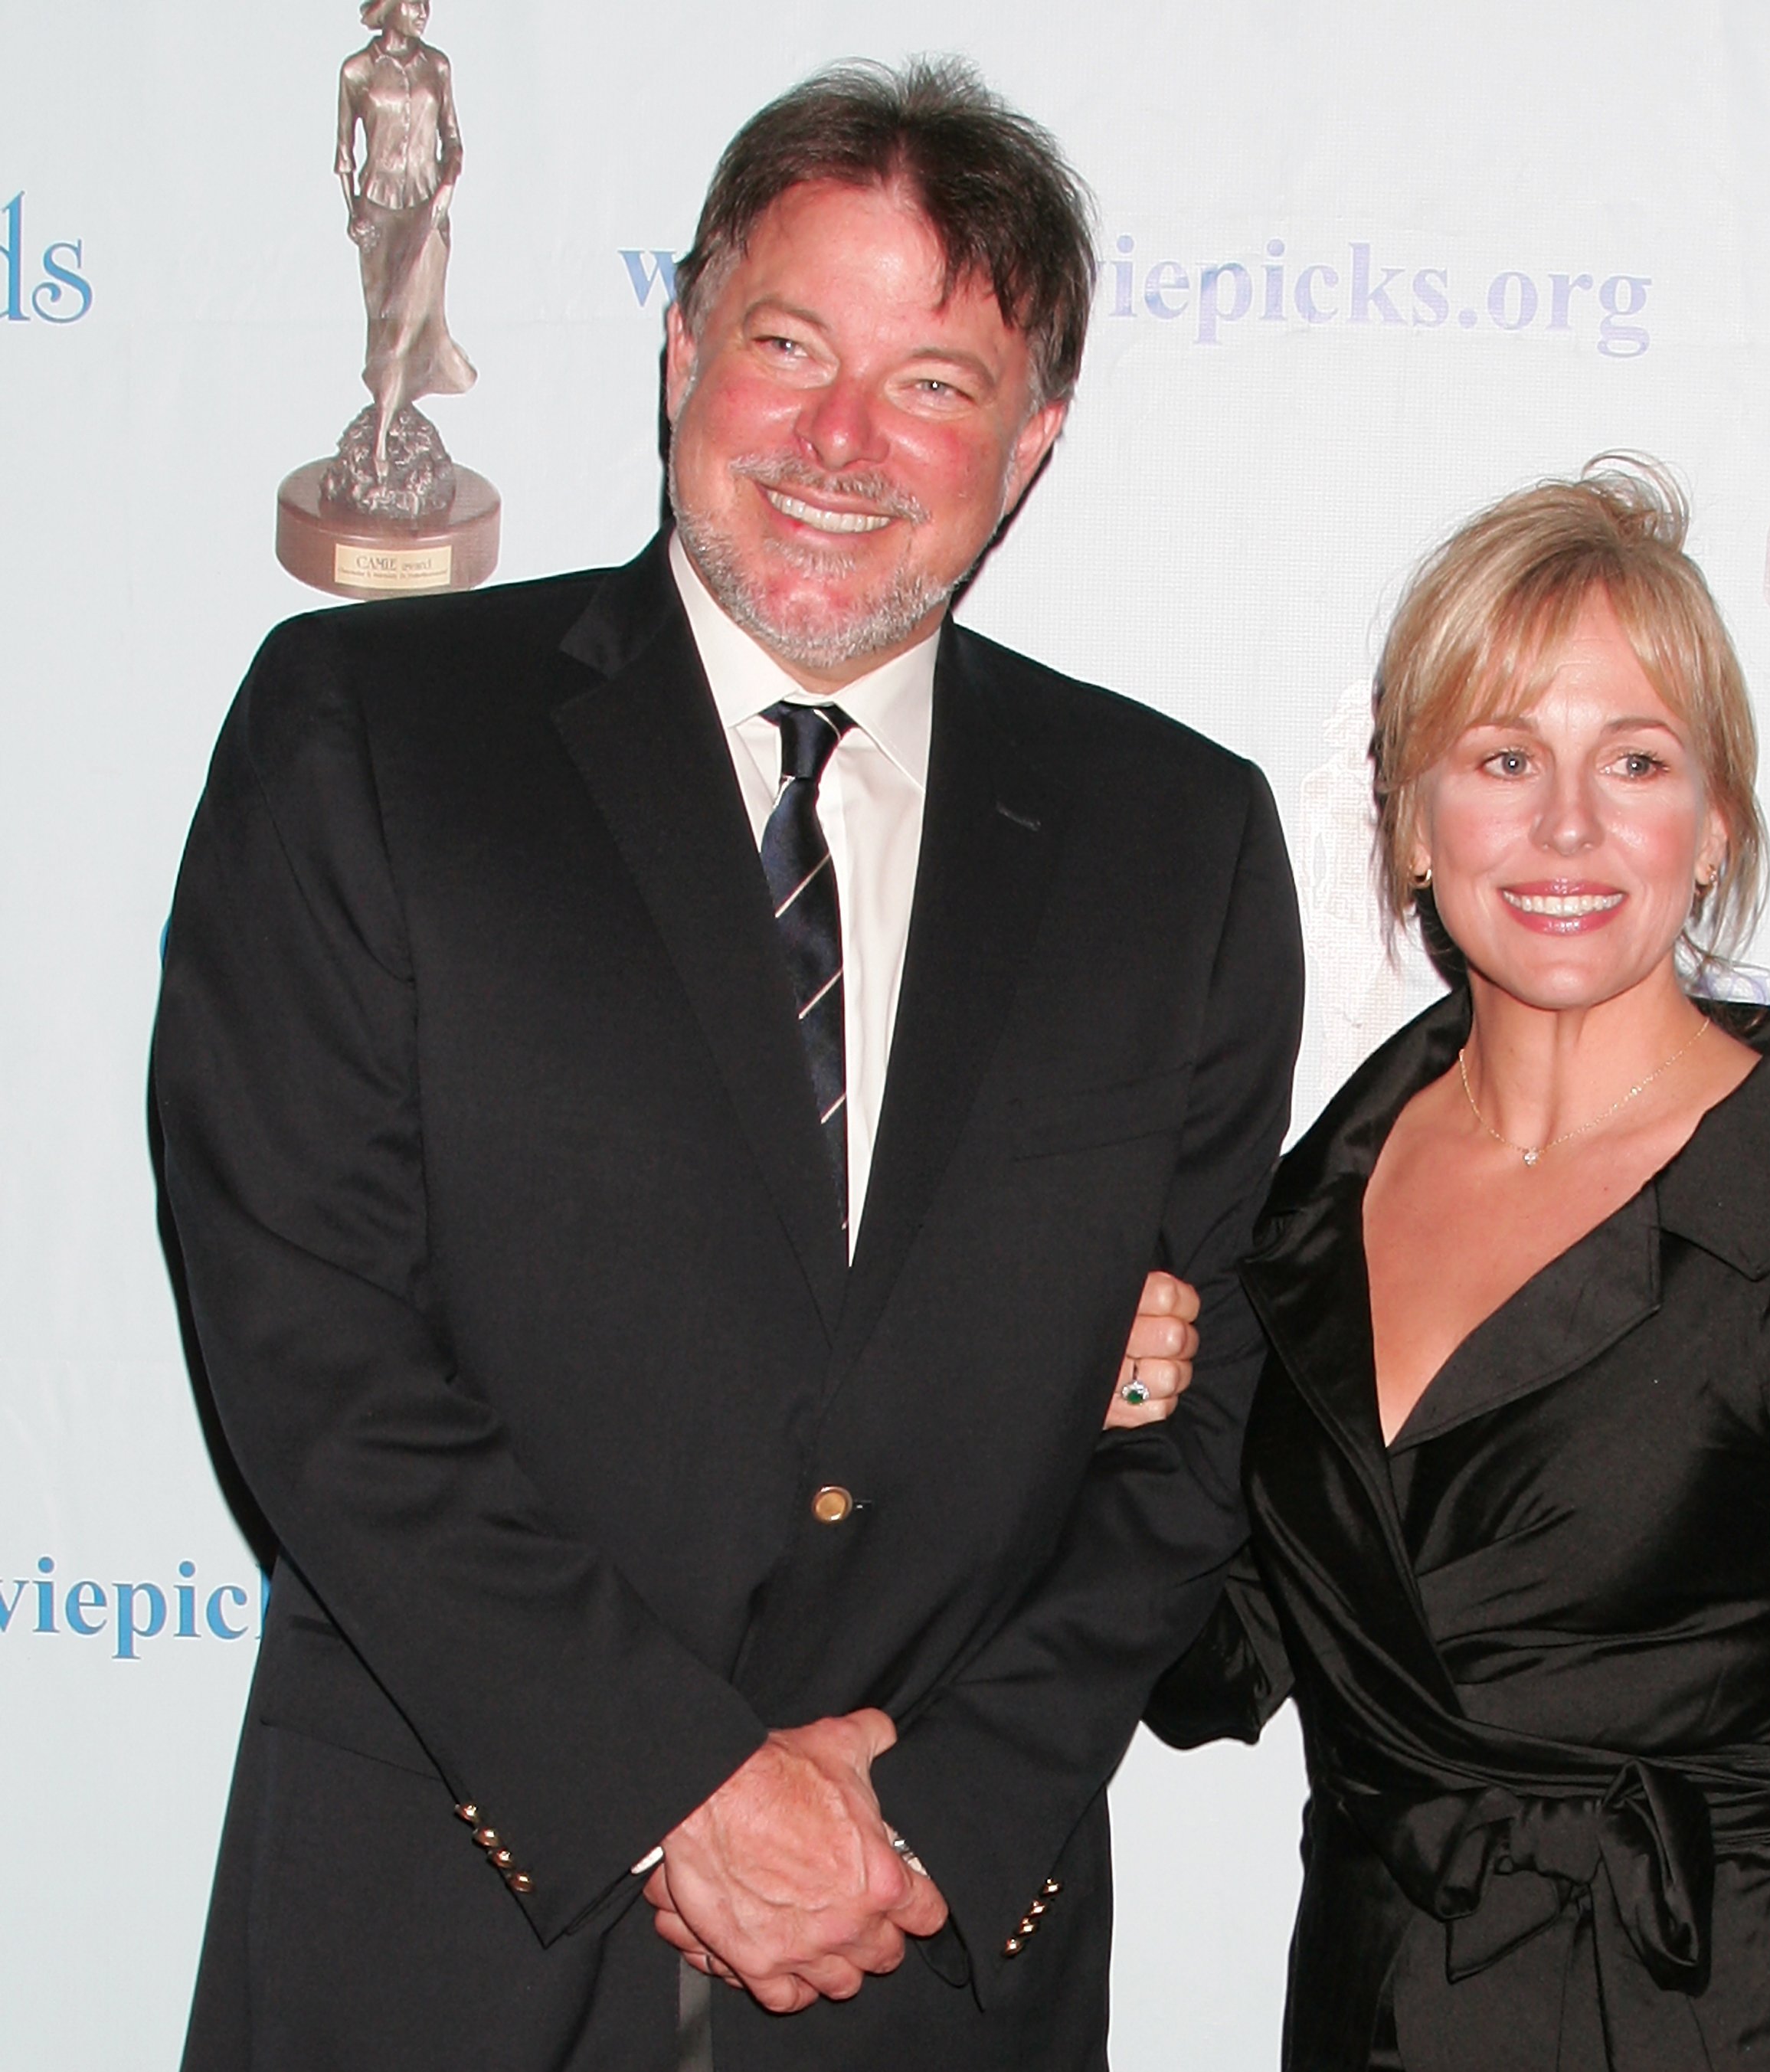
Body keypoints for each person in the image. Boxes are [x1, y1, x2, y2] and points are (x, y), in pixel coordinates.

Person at [155, 59, 1301, 2072]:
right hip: (441, 1953)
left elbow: (1192, 1453)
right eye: (790, 343)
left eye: (936, 380)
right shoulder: (373, 734)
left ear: (1031, 443)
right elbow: (308, 1350)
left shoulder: (1175, 842)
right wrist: (689, 1784)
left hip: (926, 1982)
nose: (843, 436)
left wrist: (929, 1813)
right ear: (682, 346)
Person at [1147, 462, 1770, 2070]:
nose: (1567, 826)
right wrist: (1126, 1406)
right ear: (1410, 813)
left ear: (1716, 814)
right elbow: (1209, 1670)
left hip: (1686, 2029)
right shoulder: (1311, 1205)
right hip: (1373, 2015)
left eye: (1638, 758)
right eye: (1505, 755)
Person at [336, 0, 476, 484]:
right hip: (377, 214)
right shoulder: (357, 72)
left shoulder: (436, 67)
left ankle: (379, 446)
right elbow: (343, 157)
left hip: (426, 215)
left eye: (426, 4)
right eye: (412, 2)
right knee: (382, 326)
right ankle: (388, 418)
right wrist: (353, 212)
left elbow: (453, 141)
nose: (422, 12)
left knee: (405, 324)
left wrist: (445, 189)